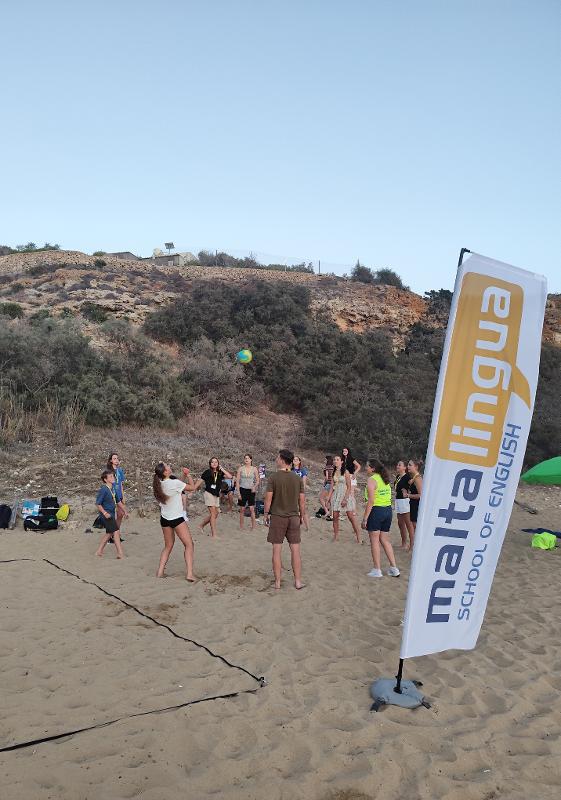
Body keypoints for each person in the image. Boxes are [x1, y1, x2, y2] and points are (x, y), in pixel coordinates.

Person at [264, 449, 306, 590]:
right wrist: (302, 516)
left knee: (277, 550)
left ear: (282, 460)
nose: (276, 459)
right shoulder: (297, 478)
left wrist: (266, 514)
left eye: (278, 457)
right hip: (293, 517)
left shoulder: (274, 477)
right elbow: (302, 501)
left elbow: (268, 499)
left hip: (278, 516)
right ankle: (298, 581)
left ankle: (277, 582)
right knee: (295, 550)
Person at [153, 462, 196, 581]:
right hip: (176, 519)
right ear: (165, 472)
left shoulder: (159, 484)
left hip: (164, 519)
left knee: (168, 546)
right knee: (189, 545)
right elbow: (192, 487)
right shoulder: (174, 483)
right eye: (167, 466)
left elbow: (178, 485)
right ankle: (189, 574)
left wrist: (183, 476)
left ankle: (160, 572)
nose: (169, 466)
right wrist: (189, 475)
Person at [362, 459, 400, 578]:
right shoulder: (384, 478)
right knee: (385, 540)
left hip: (377, 511)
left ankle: (377, 569)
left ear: (373, 468)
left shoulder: (372, 480)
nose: (365, 468)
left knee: (374, 541)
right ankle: (394, 568)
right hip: (388, 511)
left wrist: (365, 518)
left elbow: (371, 501)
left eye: (367, 466)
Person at [194, 457, 233, 538]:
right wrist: (192, 489)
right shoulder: (207, 472)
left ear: (218, 463)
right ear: (210, 464)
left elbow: (230, 476)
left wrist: (222, 469)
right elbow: (199, 482)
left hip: (216, 495)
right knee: (213, 514)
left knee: (216, 514)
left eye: (216, 462)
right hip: (209, 493)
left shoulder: (220, 472)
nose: (214, 463)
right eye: (212, 462)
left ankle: (201, 525)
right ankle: (214, 534)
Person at [327, 454, 362, 543]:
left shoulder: (346, 472)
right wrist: (328, 498)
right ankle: (336, 536)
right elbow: (331, 487)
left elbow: (349, 487)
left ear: (341, 462)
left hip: (345, 495)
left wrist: (345, 499)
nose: (335, 461)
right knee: (335, 517)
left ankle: (358, 536)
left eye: (337, 459)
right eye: (334, 460)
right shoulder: (333, 472)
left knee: (350, 516)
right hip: (336, 495)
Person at [95, 470, 124, 559]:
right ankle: (120, 553)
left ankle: (99, 551)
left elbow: (118, 501)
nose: (113, 478)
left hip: (111, 513)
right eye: (110, 477)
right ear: (105, 479)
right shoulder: (104, 489)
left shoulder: (113, 488)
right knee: (116, 531)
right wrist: (104, 513)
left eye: (113, 476)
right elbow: (98, 504)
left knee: (109, 533)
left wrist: (125, 511)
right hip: (106, 515)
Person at [394, 459, 415, 550]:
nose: (397, 466)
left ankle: (412, 545)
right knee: (400, 523)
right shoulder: (398, 476)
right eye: (397, 464)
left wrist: (409, 493)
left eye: (400, 465)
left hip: (405, 501)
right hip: (398, 501)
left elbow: (414, 485)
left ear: (404, 467)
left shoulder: (407, 477)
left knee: (408, 524)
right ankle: (404, 543)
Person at [236, 453, 260, 530]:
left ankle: (253, 526)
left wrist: (254, 487)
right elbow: (237, 481)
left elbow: (258, 480)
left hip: (251, 490)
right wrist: (238, 493)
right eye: (245, 458)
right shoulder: (240, 469)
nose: (246, 459)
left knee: (252, 509)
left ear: (251, 460)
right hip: (242, 489)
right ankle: (241, 526)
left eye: (248, 458)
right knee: (242, 509)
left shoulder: (254, 469)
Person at [292, 455, 310, 532]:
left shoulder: (303, 470)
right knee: (293, 509)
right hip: (291, 492)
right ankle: (294, 525)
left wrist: (302, 491)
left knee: (303, 510)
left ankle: (307, 527)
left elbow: (304, 482)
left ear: (299, 461)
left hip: (300, 491)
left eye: (297, 459)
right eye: (294, 459)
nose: (295, 460)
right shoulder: (290, 470)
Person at [406, 459, 423, 533]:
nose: (408, 466)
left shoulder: (418, 479)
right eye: (408, 464)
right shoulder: (414, 478)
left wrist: (408, 495)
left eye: (410, 465)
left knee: (416, 527)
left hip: (417, 505)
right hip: (413, 504)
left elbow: (421, 495)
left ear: (416, 467)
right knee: (414, 526)